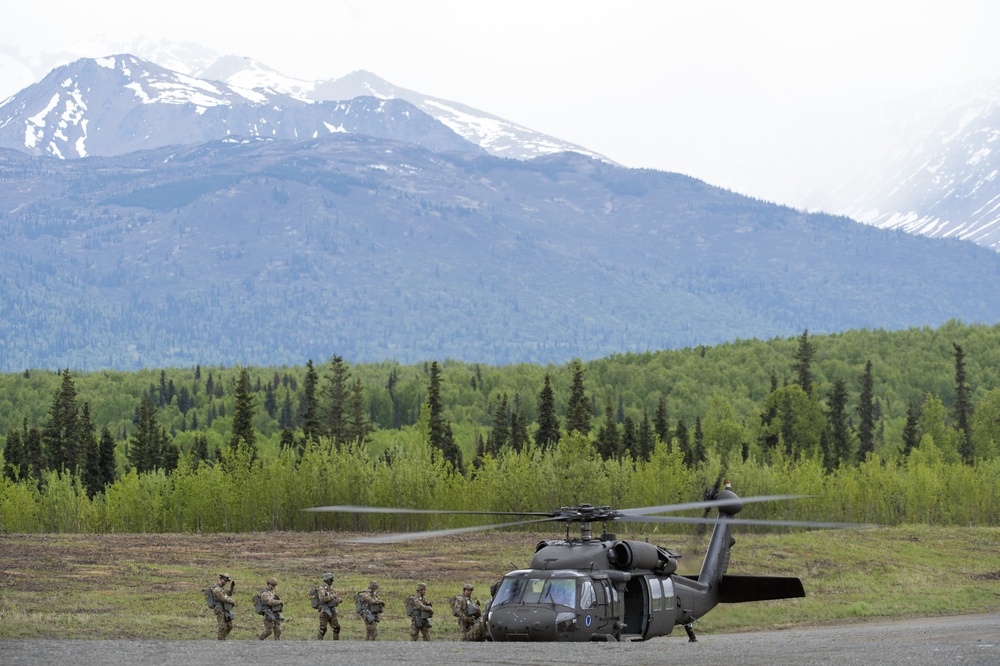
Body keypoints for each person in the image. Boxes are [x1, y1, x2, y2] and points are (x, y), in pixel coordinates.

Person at [316, 572, 343, 640]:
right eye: (331, 580)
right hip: (324, 610)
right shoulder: (321, 588)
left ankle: (336, 643)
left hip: (332, 610)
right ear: (326, 580)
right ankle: (319, 643)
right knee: (323, 630)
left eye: (332, 580)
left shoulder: (331, 588)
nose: (332, 581)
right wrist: (332, 596)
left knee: (337, 628)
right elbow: (322, 599)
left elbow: (336, 596)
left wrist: (338, 600)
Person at [211, 573, 237, 640]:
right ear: (221, 579)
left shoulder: (221, 588)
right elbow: (223, 599)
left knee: (229, 626)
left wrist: (232, 587)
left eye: (226, 581)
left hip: (225, 609)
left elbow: (229, 594)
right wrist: (232, 601)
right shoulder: (217, 589)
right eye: (224, 580)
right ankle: (220, 640)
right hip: (219, 609)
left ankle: (222, 638)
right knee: (222, 626)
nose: (225, 582)